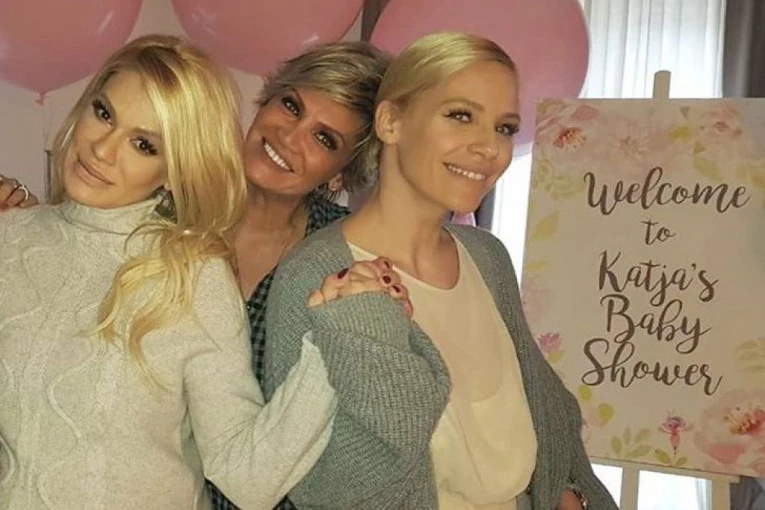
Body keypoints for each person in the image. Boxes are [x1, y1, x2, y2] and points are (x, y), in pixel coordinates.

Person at [0, 40, 390, 510]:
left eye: (144, 144)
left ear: (174, 168)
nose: (102, 150)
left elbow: (247, 475)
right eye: (103, 113)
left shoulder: (198, 272)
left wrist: (335, 344)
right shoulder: (13, 234)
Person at [263, 32, 619, 510]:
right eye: (461, 115)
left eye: (505, 127)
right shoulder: (317, 276)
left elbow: (543, 408)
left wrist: (565, 489)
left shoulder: (486, 257)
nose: (490, 148)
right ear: (391, 121)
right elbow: (315, 479)